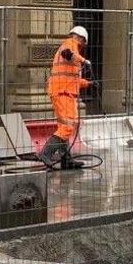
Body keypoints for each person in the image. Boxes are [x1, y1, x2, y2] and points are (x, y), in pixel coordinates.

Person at [40, 24, 90, 169]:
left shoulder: (70, 52)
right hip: (63, 93)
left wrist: (89, 83)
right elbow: (68, 53)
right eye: (82, 42)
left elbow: (72, 80)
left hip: (62, 91)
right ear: (79, 38)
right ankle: (46, 154)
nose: (81, 45)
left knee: (64, 126)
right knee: (68, 126)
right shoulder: (70, 44)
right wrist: (83, 60)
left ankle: (66, 160)